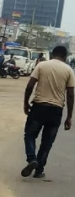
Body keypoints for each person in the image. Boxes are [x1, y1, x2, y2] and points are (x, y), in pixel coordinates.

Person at [21, 46, 74, 178]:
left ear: (52, 54)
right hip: (56, 110)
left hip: (39, 107)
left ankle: (32, 159)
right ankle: (39, 170)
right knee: (47, 142)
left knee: (30, 135)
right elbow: (71, 95)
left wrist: (26, 103)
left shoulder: (42, 65)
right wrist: (69, 117)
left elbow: (29, 86)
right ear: (65, 56)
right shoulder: (68, 70)